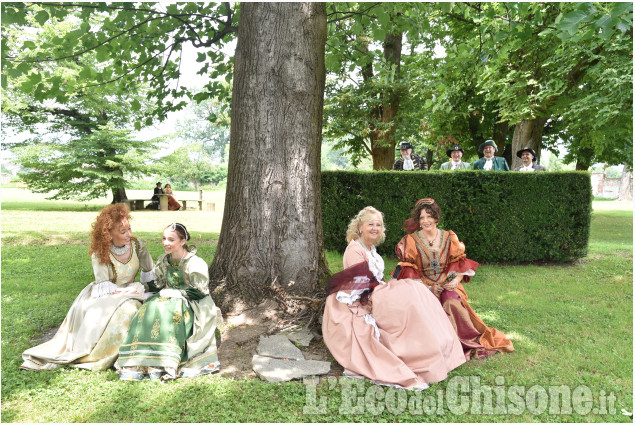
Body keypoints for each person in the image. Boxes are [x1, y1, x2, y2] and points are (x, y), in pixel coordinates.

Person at [322, 207, 465, 390]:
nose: (375, 228)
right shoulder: (355, 250)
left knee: (418, 291)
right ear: (359, 227)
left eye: (379, 225)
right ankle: (417, 354)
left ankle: (437, 350)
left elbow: (375, 279)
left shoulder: (370, 248)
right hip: (363, 295)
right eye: (370, 224)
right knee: (410, 299)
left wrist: (389, 286)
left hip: (376, 289)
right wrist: (387, 291)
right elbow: (361, 286)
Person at [21, 203, 155, 371]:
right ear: (108, 234)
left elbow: (151, 272)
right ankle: (104, 354)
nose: (129, 234)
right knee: (126, 311)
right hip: (107, 295)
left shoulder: (137, 245)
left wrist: (149, 289)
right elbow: (105, 287)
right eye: (123, 232)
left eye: (129, 229)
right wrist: (131, 292)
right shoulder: (101, 252)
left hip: (132, 291)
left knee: (136, 307)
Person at [395, 198, 515, 359]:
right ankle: (439, 348)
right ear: (418, 220)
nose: (426, 221)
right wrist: (428, 288)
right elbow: (409, 271)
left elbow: (457, 264)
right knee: (432, 306)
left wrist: (453, 281)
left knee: (451, 302)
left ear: (436, 217)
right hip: (423, 286)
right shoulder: (410, 241)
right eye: (422, 218)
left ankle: (462, 343)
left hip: (447, 283)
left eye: (429, 216)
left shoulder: (449, 237)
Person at [118, 223, 220, 380]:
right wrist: (141, 286)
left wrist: (177, 293)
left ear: (182, 241)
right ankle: (139, 361)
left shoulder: (195, 263)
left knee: (170, 311)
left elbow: (200, 291)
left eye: (171, 239)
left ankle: (165, 362)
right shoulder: (164, 261)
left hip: (191, 302)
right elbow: (159, 284)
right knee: (148, 309)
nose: (166, 243)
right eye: (164, 238)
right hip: (167, 298)